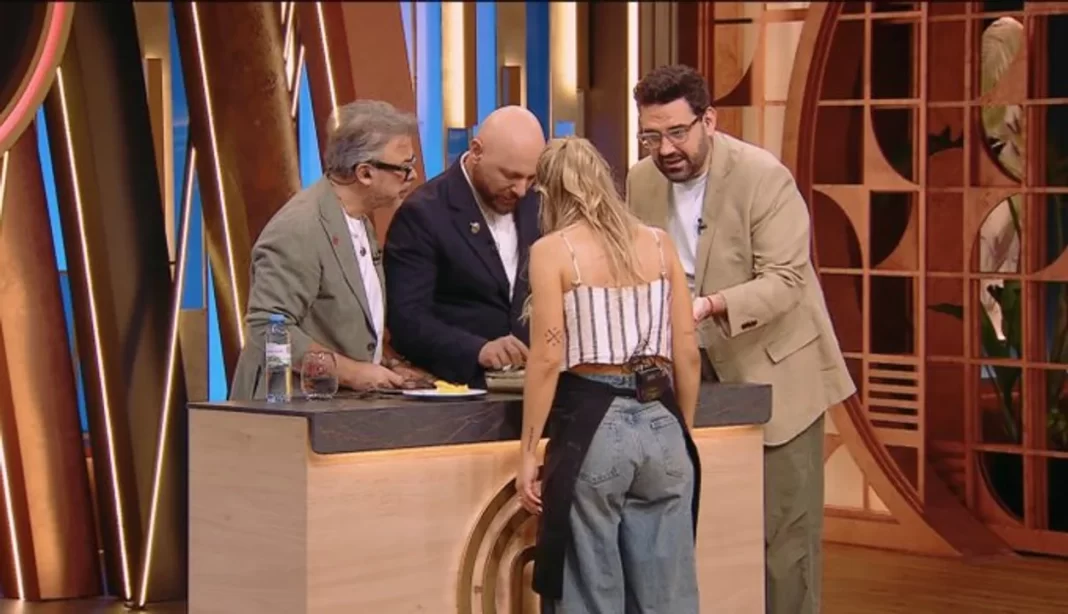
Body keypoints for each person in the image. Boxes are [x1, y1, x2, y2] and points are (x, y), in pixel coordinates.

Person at [626, 64, 856, 614]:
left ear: (708, 120)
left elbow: (786, 281)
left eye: (677, 132)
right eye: (651, 137)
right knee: (707, 530)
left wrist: (708, 305)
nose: (665, 149)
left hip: (776, 373)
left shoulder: (763, 177)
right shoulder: (640, 181)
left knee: (785, 542)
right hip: (686, 373)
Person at [515, 137, 702, 613]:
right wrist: (684, 428)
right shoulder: (659, 243)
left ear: (548, 193)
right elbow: (687, 351)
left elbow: (546, 360)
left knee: (590, 591)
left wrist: (528, 453)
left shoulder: (553, 251)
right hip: (662, 421)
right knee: (667, 595)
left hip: (594, 423)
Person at [230, 100, 426, 400]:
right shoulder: (299, 228)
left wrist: (388, 362)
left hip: (335, 408)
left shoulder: (358, 219)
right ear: (365, 173)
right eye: (404, 168)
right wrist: (353, 373)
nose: (413, 177)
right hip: (286, 407)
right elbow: (267, 328)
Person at [384, 106, 546, 387]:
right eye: (510, 176)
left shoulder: (538, 202)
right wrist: (478, 350)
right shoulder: (424, 213)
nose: (521, 189)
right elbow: (407, 320)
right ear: (476, 151)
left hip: (532, 386)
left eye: (530, 178)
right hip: (458, 388)